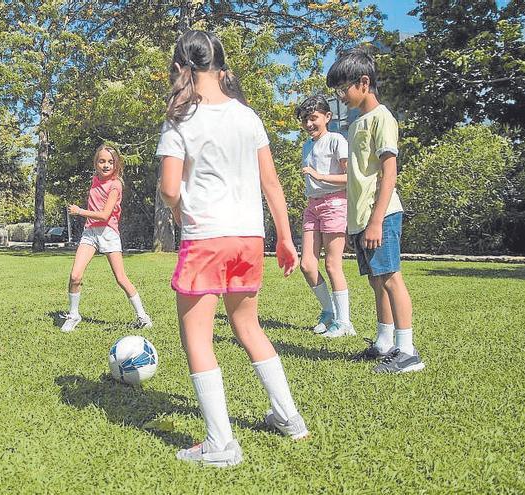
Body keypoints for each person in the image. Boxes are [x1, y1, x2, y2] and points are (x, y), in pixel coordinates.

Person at [156, 30, 307, 467]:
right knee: (249, 327)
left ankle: (221, 444)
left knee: (198, 339)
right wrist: (285, 237)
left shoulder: (180, 119)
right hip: (249, 238)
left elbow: (169, 189)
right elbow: (272, 183)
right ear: (220, 66)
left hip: (206, 237)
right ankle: (289, 417)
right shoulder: (248, 116)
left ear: (181, 68)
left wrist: (179, 205)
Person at [326, 47, 425, 373]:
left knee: (391, 278)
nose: (342, 97)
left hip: (379, 215)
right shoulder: (357, 123)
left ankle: (407, 351)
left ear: (364, 82)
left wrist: (375, 221)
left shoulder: (382, 119)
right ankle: (384, 343)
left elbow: (389, 173)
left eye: (344, 89)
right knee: (375, 281)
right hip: (360, 218)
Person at [60, 144, 152, 332]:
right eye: (102, 161)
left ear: (116, 165)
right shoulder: (95, 180)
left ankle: (143, 317)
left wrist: (79, 211)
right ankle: (74, 314)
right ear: (96, 163)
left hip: (108, 233)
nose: (106, 165)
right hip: (90, 233)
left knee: (120, 278)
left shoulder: (115, 185)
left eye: (110, 162)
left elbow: (104, 214)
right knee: (75, 275)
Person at [295, 94, 355, 338]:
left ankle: (345, 323)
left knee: (332, 265)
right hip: (313, 206)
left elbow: (349, 177)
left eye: (313, 118)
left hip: (334, 204)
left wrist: (319, 176)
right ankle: (329, 312)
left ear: (327, 117)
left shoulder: (336, 140)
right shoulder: (308, 145)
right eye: (304, 120)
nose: (309, 124)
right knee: (307, 265)